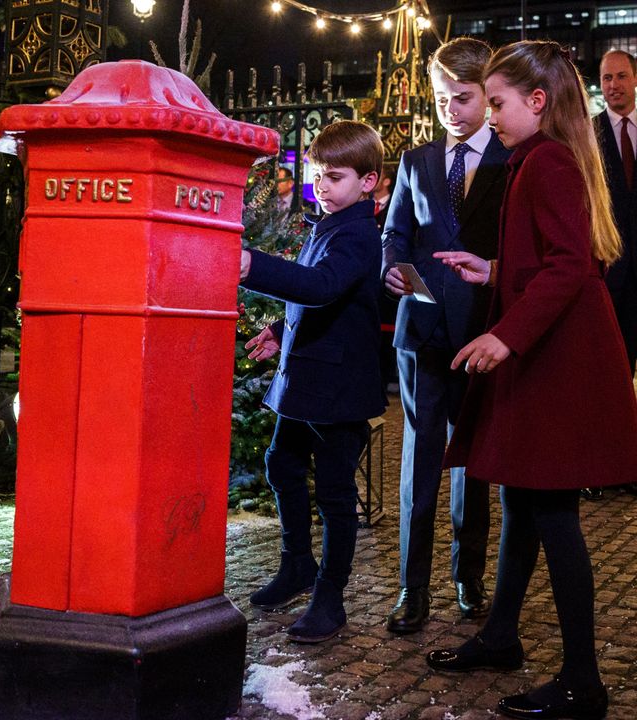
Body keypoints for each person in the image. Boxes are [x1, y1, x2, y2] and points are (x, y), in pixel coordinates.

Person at [426, 40, 637, 720]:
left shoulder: (544, 160)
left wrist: (502, 333)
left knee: (552, 513)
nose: (490, 115)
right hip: (553, 353)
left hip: (554, 359)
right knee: (524, 502)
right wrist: (490, 271)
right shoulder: (544, 158)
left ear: (537, 102)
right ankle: (500, 636)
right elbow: (557, 257)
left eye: (496, 103)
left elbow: (570, 266)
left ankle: (582, 681)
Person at [238, 120, 386, 643]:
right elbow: (327, 299)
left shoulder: (361, 234)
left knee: (335, 494)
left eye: (336, 177)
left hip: (339, 387)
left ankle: (330, 596)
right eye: (317, 175)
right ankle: (297, 563)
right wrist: (281, 328)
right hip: (306, 377)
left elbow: (323, 286)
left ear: (368, 182)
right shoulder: (329, 223)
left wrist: (251, 263)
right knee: (281, 463)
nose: (322, 186)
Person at [380, 37, 507, 635]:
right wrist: (392, 269)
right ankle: (412, 586)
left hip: (483, 331)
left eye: (461, 98)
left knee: (473, 461)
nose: (448, 110)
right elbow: (396, 236)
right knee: (418, 460)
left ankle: (468, 575)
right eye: (439, 99)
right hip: (422, 331)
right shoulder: (416, 161)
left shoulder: (514, 161)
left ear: (488, 96)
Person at [596, 49, 637, 378]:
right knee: (614, 368)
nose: (613, 84)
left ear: (635, 79)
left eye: (621, 76)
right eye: (607, 78)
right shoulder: (587, 134)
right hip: (610, 268)